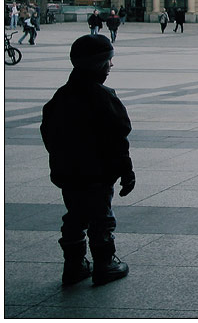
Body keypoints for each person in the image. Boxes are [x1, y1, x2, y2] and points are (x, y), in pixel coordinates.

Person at [40, 34, 134, 286]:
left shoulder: (60, 97)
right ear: (98, 64)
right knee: (102, 217)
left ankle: (74, 264)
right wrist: (126, 170)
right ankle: (104, 263)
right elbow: (118, 137)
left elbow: (48, 134)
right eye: (108, 61)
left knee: (75, 215)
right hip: (97, 173)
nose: (111, 65)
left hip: (68, 173)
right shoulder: (103, 97)